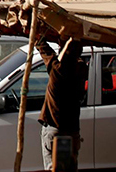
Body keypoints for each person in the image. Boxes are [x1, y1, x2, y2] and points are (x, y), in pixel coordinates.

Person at [37, 37, 85, 170]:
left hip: (55, 129)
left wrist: (38, 37)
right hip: (72, 130)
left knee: (54, 168)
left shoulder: (57, 70)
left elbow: (44, 49)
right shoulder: (80, 70)